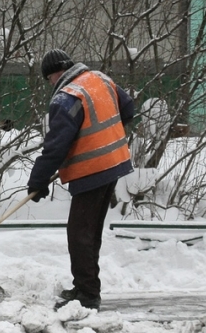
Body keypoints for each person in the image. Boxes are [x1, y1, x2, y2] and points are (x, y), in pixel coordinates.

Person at [26, 49, 134, 311]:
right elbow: (128, 108)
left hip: (93, 169)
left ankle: (87, 296)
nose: (51, 84)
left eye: (49, 79)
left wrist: (37, 181)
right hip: (113, 163)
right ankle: (85, 287)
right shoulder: (99, 79)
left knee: (79, 234)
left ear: (56, 73)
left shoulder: (66, 99)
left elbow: (55, 147)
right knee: (89, 232)